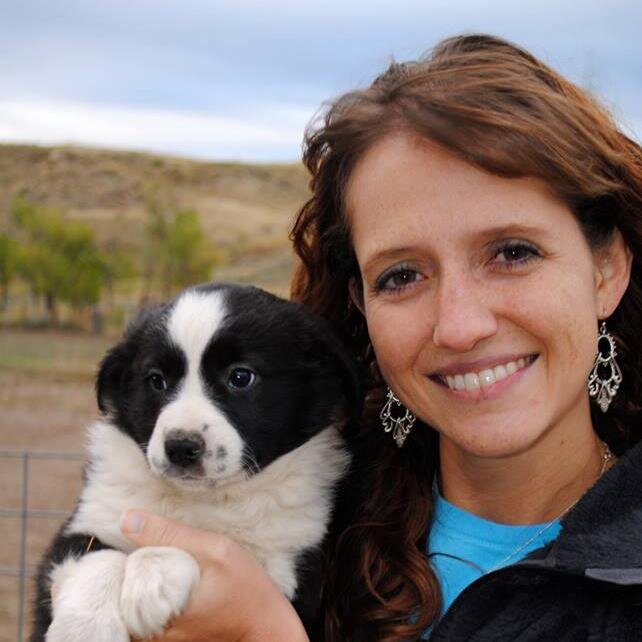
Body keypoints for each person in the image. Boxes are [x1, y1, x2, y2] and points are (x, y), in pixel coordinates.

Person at [117, 34, 642, 641]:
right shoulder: (290, 516)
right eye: (402, 275)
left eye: (512, 252)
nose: (460, 325)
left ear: (606, 270)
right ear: (360, 306)